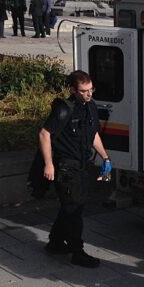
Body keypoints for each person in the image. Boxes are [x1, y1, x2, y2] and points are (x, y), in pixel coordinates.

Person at [38, 71, 112, 268]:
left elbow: (93, 133)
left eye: (91, 90)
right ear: (72, 89)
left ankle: (55, 242)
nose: (89, 94)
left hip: (82, 166)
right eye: (84, 91)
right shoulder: (64, 109)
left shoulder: (91, 107)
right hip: (66, 168)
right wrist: (49, 164)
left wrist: (105, 157)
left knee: (72, 206)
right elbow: (45, 134)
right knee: (74, 209)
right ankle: (77, 252)